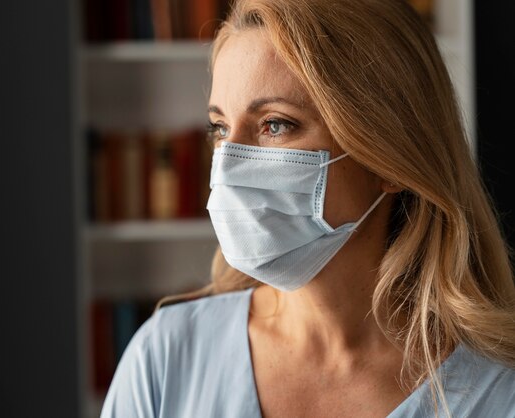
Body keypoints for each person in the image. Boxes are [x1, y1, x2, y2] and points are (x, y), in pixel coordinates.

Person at [100, 0, 515, 416]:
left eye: (275, 124)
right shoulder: (165, 360)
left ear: (390, 159)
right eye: (221, 128)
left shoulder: (497, 392)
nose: (228, 162)